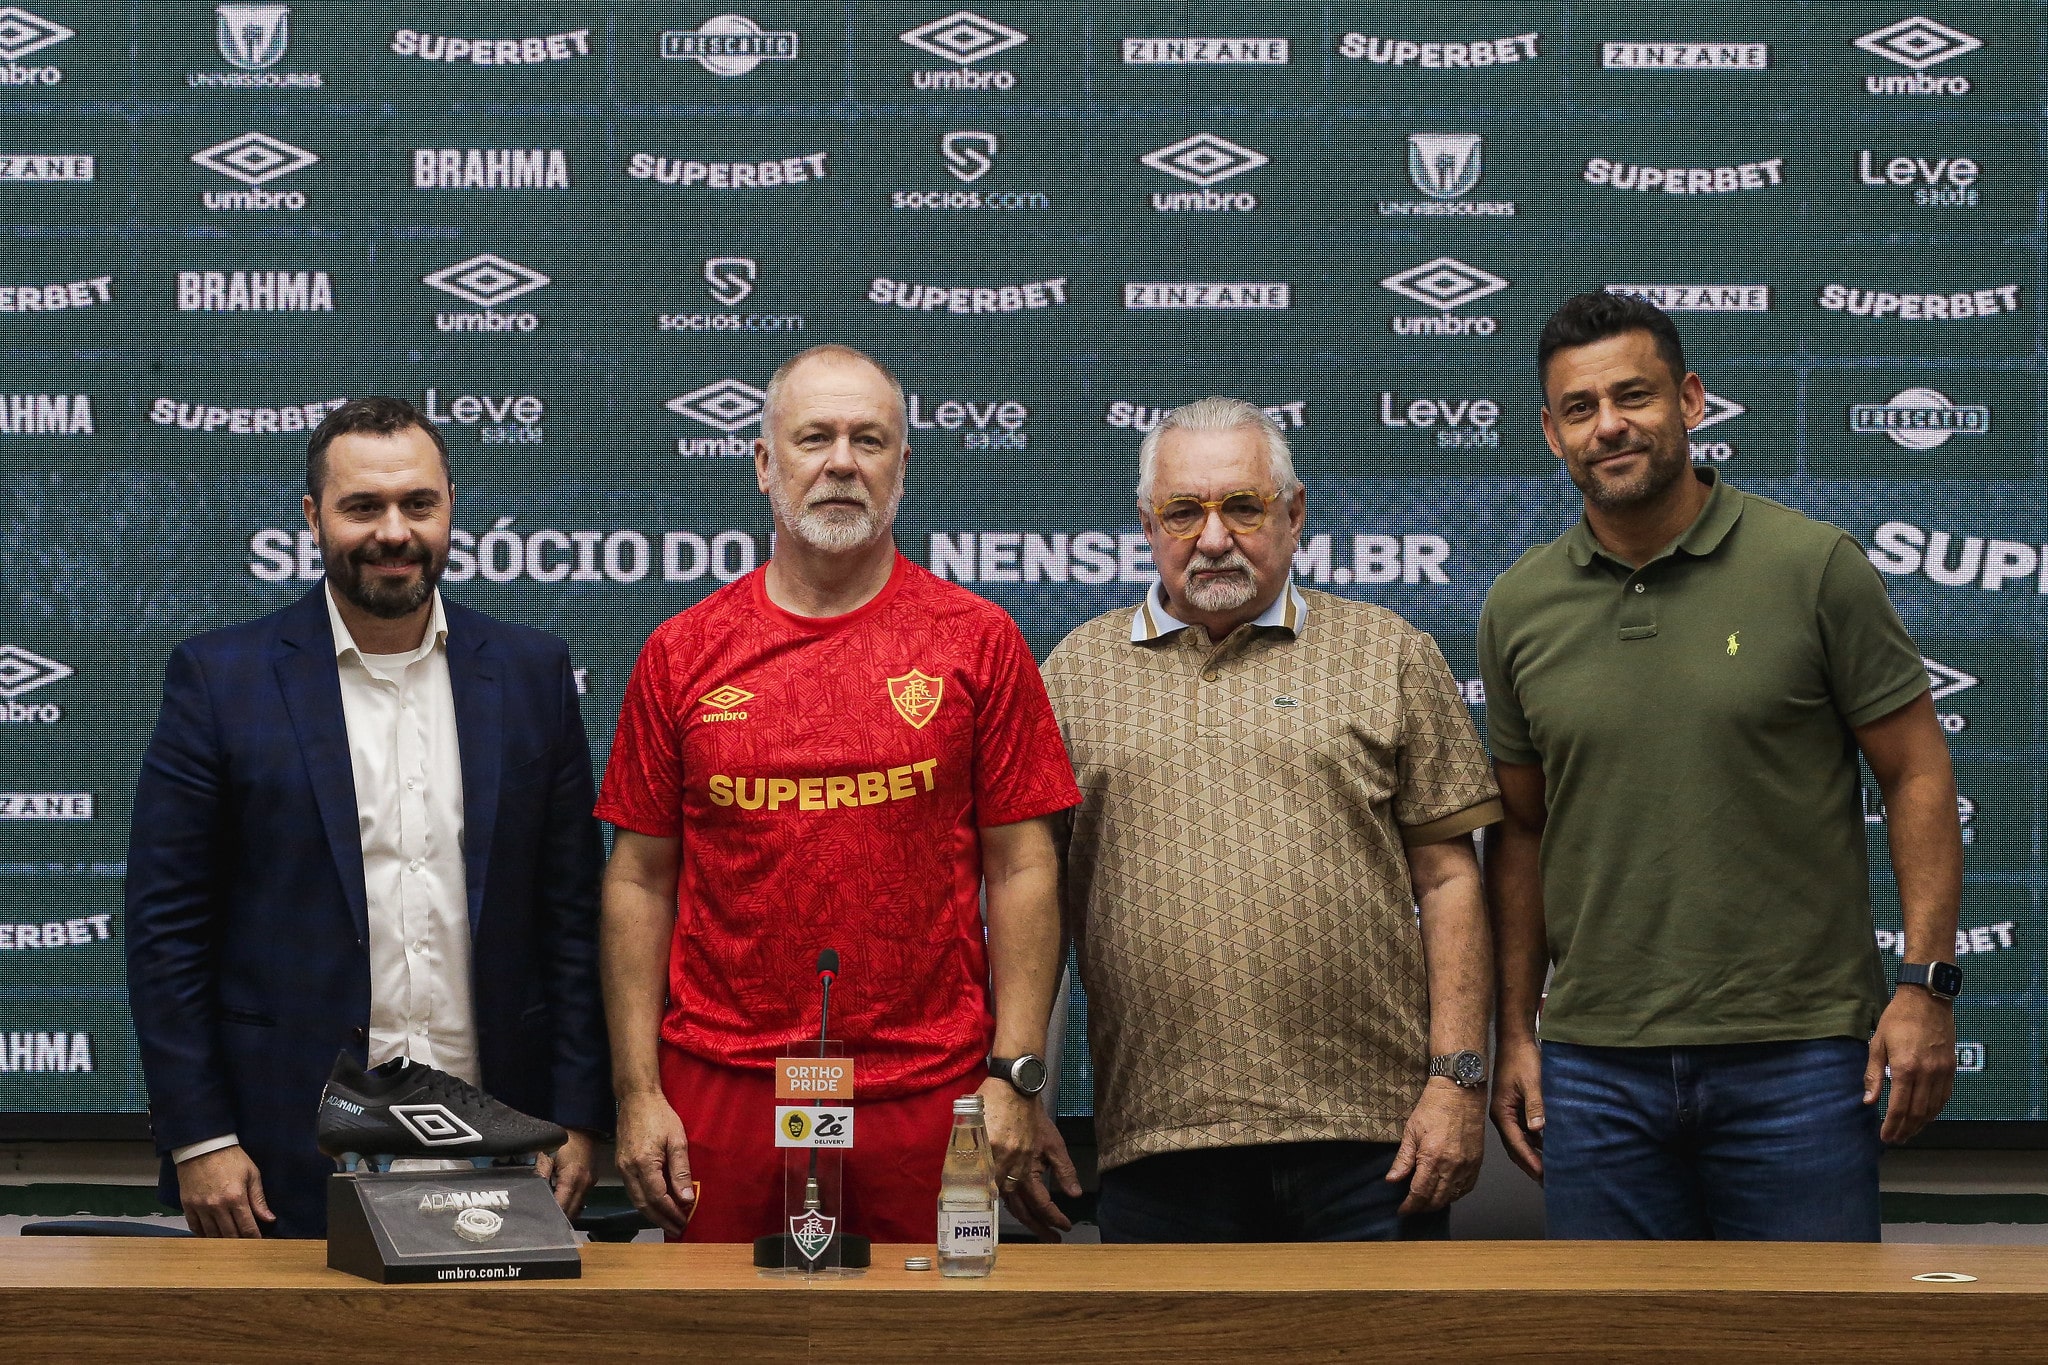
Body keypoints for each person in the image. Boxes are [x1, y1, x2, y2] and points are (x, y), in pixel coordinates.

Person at [1481, 291, 1963, 1240]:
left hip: (1801, 1060)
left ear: (1692, 401)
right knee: (1614, 1344)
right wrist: (1514, 1035)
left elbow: (1917, 773)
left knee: (1809, 1342)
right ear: (1550, 432)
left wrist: (1925, 985)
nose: (1609, 425)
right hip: (1595, 1065)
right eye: (1580, 408)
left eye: (1634, 396)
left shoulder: (1813, 566)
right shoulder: (1518, 604)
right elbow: (1524, 828)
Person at [597, 343, 1082, 1244]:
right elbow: (639, 880)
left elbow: (1022, 868)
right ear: (762, 462)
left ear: (905, 464)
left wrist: (1017, 1077)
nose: (841, 463)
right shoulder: (680, 651)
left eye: (869, 439)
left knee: (930, 1345)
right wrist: (637, 1092)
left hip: (928, 1093)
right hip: (725, 1090)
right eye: (814, 437)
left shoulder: (978, 640)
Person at [125, 396, 610, 1238]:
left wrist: (577, 1113)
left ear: (450, 505)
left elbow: (572, 917)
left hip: (507, 1146)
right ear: (314, 517)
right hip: (285, 1157)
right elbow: (166, 931)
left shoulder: (533, 672)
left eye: (417, 504)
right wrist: (199, 1135)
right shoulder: (219, 678)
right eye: (362, 507)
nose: (394, 531)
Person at [1039, 396, 1502, 1242]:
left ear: (1295, 516)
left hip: (1376, 1148)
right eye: (1185, 511)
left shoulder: (1389, 651)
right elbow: (1031, 902)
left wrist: (1459, 1080)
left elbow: (1449, 879)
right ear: (1148, 525)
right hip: (1156, 1145)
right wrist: (1019, 1086)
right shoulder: (1075, 671)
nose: (1213, 538)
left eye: (1242, 507)